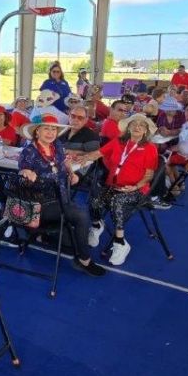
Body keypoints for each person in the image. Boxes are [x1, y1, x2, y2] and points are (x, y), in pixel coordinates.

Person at [18, 115, 105, 277]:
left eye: (53, 129)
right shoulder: (28, 151)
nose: (50, 132)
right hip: (39, 204)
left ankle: (41, 236)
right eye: (46, 128)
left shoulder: (56, 145)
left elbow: (64, 161)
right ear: (37, 132)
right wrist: (26, 173)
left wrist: (72, 173)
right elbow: (23, 171)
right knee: (81, 215)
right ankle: (84, 260)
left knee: (70, 242)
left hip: (60, 198)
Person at [72, 114, 160, 266]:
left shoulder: (150, 148)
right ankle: (97, 225)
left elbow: (149, 174)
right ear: (128, 127)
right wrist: (86, 157)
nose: (137, 127)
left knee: (116, 202)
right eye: (134, 124)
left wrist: (135, 186)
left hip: (136, 190)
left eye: (142, 125)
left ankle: (120, 243)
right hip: (114, 186)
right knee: (94, 200)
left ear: (146, 130)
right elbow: (99, 153)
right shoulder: (118, 142)